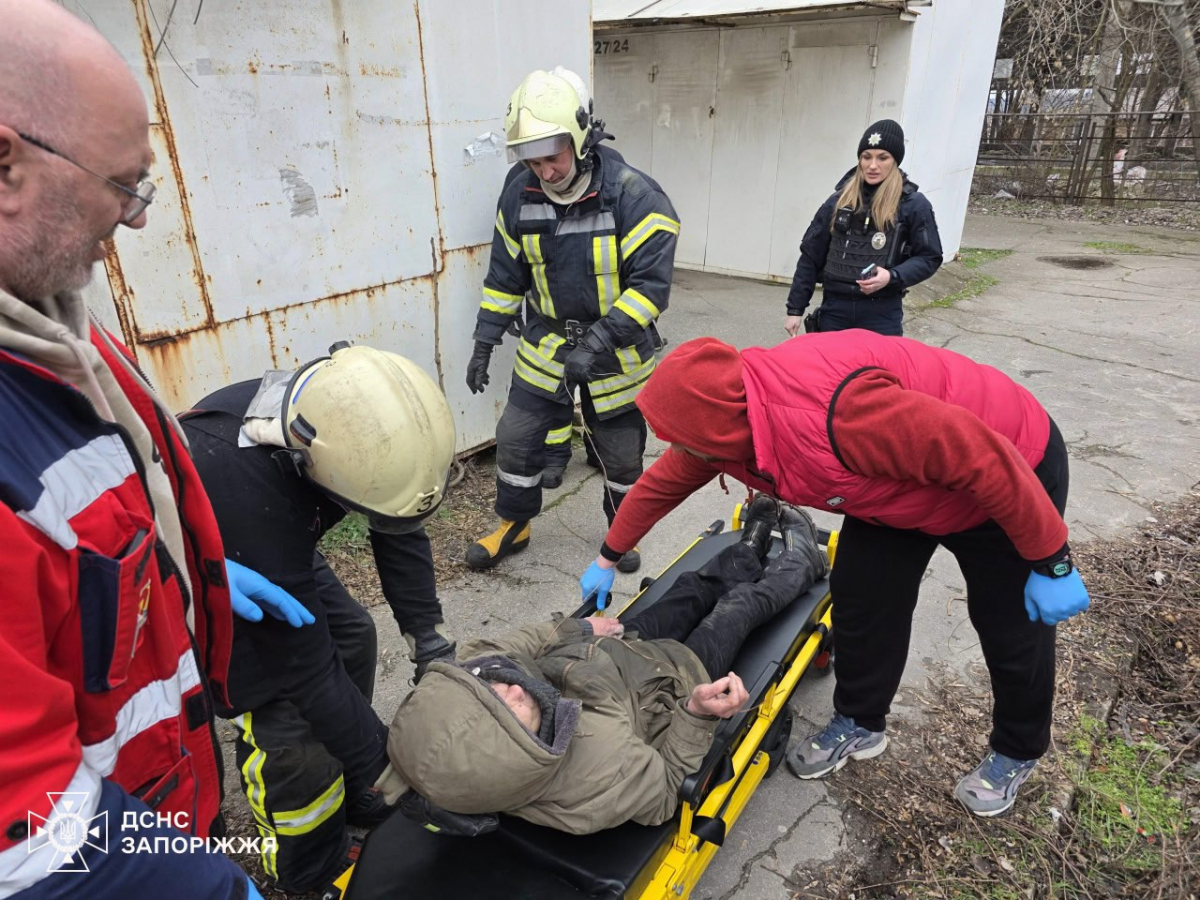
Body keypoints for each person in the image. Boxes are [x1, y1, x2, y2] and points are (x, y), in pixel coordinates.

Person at [0, 3, 308, 896]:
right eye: (122, 185)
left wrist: (178, 574)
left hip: (157, 802)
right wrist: (210, 887)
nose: (135, 221)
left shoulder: (49, 323)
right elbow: (26, 838)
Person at [579, 333, 1092, 818]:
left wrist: (1052, 560)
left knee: (1009, 624)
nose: (682, 451)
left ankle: (1017, 749)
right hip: (898, 491)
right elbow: (663, 483)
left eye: (686, 441)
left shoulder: (841, 417)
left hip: (1008, 469)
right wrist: (608, 556)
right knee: (862, 597)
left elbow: (982, 456)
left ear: (719, 430)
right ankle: (861, 722)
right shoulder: (727, 428)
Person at [180, 344, 458, 894]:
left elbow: (397, 529)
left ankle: (354, 782)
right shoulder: (241, 481)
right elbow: (306, 673)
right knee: (287, 718)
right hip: (216, 553)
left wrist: (428, 639)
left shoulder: (348, 416)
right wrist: (400, 780)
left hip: (273, 526)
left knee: (353, 634)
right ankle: (303, 861)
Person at [378, 499, 828, 834]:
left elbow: (506, 647)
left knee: (692, 587)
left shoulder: (486, 685)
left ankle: (749, 547)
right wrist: (695, 713)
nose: (514, 690)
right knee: (739, 606)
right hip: (672, 684)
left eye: (496, 690)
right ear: (521, 754)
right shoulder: (595, 779)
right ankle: (804, 562)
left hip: (615, 652)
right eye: (511, 713)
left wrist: (582, 632)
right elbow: (666, 791)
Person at [464, 67, 680, 575]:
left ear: (581, 138)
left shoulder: (635, 196)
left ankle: (621, 534)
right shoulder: (519, 194)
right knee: (516, 439)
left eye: (552, 156)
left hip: (618, 352)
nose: (544, 170)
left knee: (623, 457)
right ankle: (514, 524)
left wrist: (599, 341)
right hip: (545, 345)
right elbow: (504, 275)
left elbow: (651, 289)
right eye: (531, 159)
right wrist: (484, 339)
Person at [783, 120, 942, 338]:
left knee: (878, 373)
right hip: (835, 312)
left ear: (895, 161)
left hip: (882, 314)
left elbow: (929, 257)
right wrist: (795, 309)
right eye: (866, 157)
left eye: (882, 157)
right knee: (834, 372)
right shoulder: (838, 202)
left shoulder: (913, 205)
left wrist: (892, 276)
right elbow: (810, 256)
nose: (872, 165)